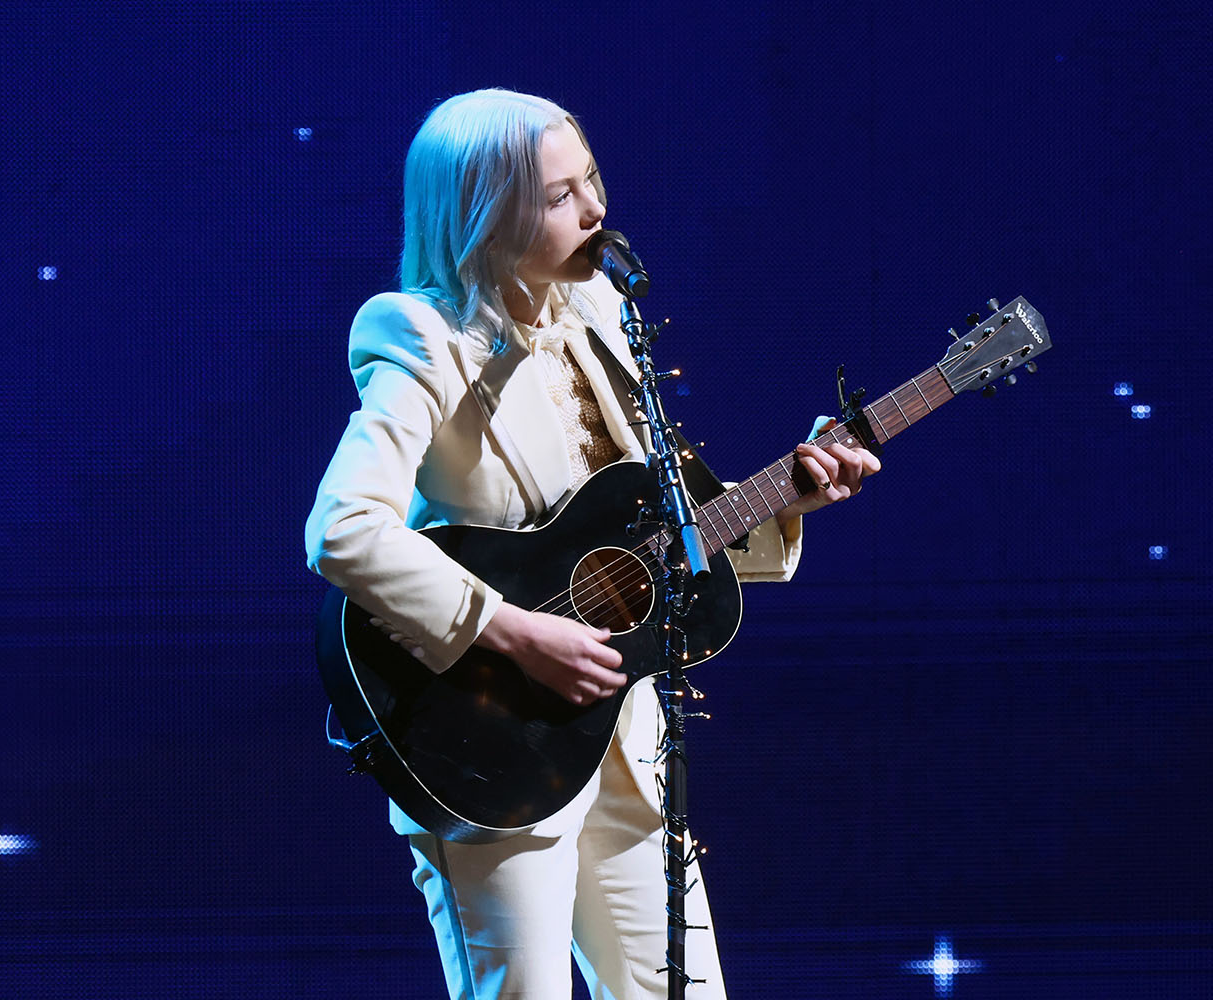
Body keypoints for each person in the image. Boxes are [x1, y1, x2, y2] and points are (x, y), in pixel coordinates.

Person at [305, 88, 880, 1000]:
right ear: (484, 215)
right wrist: (513, 630)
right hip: (496, 742)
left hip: (626, 734)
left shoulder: (603, 315)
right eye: (560, 195)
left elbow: (653, 532)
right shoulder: (422, 335)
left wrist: (789, 503)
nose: (596, 210)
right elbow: (343, 530)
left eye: (593, 180)